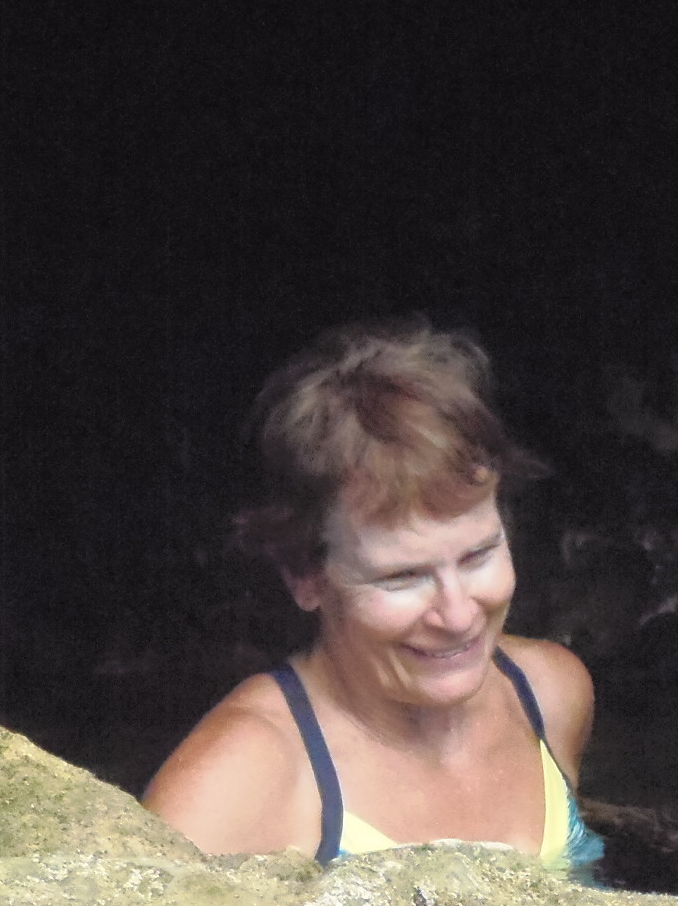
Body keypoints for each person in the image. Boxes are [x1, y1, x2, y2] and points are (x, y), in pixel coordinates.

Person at [145, 320, 604, 877]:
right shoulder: (237, 783)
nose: (458, 614)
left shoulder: (551, 693)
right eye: (402, 577)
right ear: (305, 577)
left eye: (478, 556)